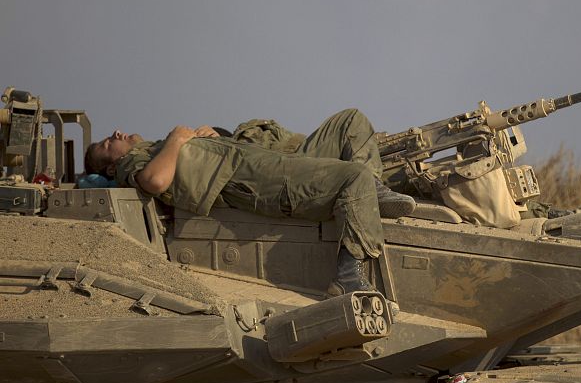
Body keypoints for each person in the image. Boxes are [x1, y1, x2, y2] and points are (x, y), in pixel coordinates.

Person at [84, 109, 415, 296]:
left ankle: (373, 191)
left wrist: (210, 141)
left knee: (351, 120)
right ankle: (347, 272)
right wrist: (177, 141)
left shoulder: (151, 148)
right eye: (105, 143)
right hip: (250, 179)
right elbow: (156, 181)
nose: (114, 133)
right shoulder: (133, 164)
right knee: (353, 176)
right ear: (111, 167)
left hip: (253, 162)